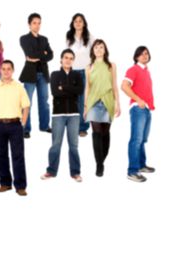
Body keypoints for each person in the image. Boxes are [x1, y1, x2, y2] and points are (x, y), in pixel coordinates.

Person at [0, 60, 30, 196]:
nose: (6, 71)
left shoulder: (19, 87)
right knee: (1, 156)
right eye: (4, 69)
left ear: (13, 70)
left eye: (8, 69)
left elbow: (26, 106)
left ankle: (20, 186)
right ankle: (5, 183)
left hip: (15, 125)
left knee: (18, 156)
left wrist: (23, 122)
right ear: (0, 70)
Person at [41, 49, 83, 182]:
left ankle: (75, 172)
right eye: (66, 57)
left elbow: (80, 91)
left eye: (71, 58)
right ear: (61, 59)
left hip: (74, 114)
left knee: (74, 146)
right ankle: (51, 171)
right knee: (56, 144)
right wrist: (70, 89)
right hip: (58, 115)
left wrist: (63, 87)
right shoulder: (54, 74)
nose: (68, 60)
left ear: (73, 61)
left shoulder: (77, 75)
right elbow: (55, 92)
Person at [84, 39, 121, 177]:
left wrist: (118, 103)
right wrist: (85, 106)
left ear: (105, 50)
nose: (99, 50)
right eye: (96, 47)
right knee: (96, 133)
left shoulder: (112, 65)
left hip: (108, 101)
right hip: (94, 102)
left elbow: (115, 85)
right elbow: (87, 87)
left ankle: (102, 160)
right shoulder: (89, 67)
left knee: (105, 133)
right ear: (93, 51)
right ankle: (99, 165)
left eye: (101, 47)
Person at [121, 46, 155, 182]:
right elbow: (124, 86)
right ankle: (132, 171)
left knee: (142, 140)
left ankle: (141, 165)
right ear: (136, 57)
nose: (144, 56)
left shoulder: (146, 71)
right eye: (141, 54)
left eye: (146, 53)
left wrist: (147, 105)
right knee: (136, 140)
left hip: (146, 109)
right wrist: (138, 100)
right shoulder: (133, 69)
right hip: (138, 109)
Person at [19, 13, 53, 139]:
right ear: (29, 24)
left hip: (43, 74)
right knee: (27, 103)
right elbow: (30, 54)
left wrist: (38, 55)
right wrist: (42, 54)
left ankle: (44, 126)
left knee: (44, 101)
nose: (37, 25)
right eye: (34, 23)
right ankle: (25, 128)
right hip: (30, 75)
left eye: (39, 23)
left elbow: (51, 55)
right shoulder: (24, 38)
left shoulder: (44, 39)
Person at [66, 13, 95, 137]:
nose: (78, 23)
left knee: (83, 99)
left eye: (80, 21)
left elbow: (95, 53)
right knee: (72, 99)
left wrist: (92, 68)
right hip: (72, 71)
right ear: (73, 23)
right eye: (76, 21)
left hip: (85, 71)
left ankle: (83, 127)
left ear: (84, 23)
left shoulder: (89, 37)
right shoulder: (69, 36)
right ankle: (72, 125)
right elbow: (66, 54)